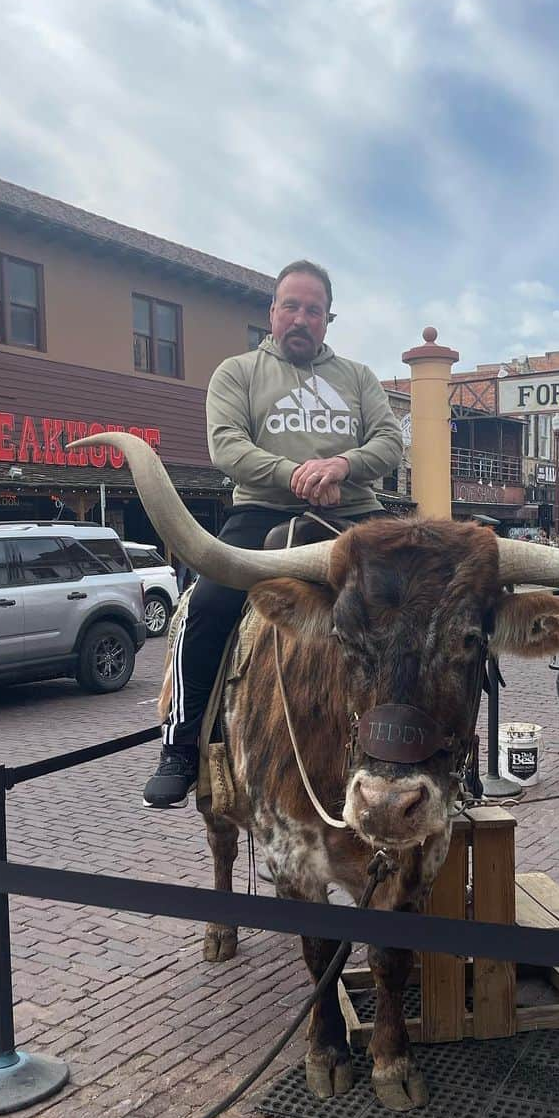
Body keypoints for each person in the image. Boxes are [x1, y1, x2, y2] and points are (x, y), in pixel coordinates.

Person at [143, 260, 403, 807]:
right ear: (272, 313)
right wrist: (296, 475)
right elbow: (227, 448)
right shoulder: (237, 373)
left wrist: (342, 466)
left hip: (354, 515)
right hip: (263, 513)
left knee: (429, 604)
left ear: (327, 320)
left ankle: (439, 747)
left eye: (314, 310)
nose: (301, 319)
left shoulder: (357, 378)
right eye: (291, 307)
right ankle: (182, 746)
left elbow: (389, 443)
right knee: (208, 604)